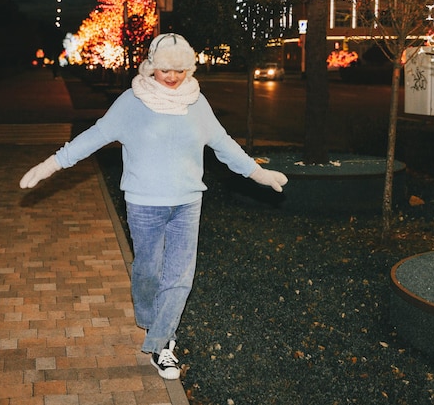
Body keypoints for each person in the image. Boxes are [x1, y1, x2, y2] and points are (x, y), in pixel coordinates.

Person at [19, 33, 288, 380]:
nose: (173, 77)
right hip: (145, 204)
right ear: (151, 66)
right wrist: (50, 165)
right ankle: (151, 320)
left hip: (188, 202)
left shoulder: (197, 102)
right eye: (165, 70)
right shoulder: (132, 102)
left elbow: (223, 144)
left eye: (179, 70)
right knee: (147, 271)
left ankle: (162, 345)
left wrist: (258, 173)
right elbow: (94, 137)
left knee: (179, 277)